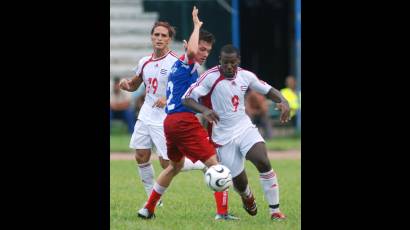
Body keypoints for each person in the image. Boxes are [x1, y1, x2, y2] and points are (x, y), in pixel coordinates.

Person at [137, 6, 238, 221]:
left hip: (170, 122)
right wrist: (196, 25)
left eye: (208, 51)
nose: (203, 54)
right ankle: (222, 213)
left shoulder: (180, 66)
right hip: (183, 120)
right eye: (201, 49)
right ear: (191, 45)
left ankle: (148, 208)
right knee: (216, 164)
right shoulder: (187, 61)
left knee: (174, 166)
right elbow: (191, 53)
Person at [182, 44, 290, 220]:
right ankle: (246, 196)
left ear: (238, 61)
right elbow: (186, 99)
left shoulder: (246, 76)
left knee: (262, 161)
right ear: (220, 62)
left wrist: (283, 100)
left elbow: (268, 90)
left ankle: (275, 211)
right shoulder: (210, 77)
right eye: (225, 63)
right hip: (222, 137)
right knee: (240, 182)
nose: (229, 67)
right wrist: (204, 110)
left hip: (244, 128)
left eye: (232, 63)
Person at [118, 20, 206, 208]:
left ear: (169, 39)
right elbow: (135, 85)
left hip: (166, 116)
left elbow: (189, 89)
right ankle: (153, 200)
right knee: (141, 155)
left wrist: (167, 99)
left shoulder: (176, 61)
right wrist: (126, 84)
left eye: (163, 35)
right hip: (146, 114)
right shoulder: (144, 61)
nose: (159, 38)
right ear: (151, 37)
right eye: (156, 34)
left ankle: (200, 163)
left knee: (168, 163)